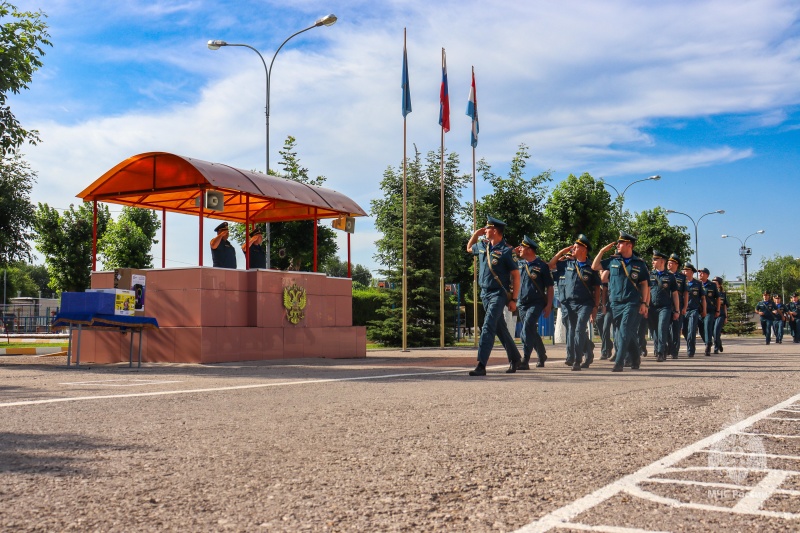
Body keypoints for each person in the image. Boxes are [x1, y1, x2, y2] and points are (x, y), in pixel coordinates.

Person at [466, 216, 522, 376]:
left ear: (495, 230)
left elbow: (516, 276)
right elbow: (469, 249)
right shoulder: (483, 246)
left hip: (498, 294)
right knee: (500, 328)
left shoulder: (506, 251)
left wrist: (514, 300)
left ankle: (481, 364)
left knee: (488, 325)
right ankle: (515, 358)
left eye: (487, 228)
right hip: (485, 293)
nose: (485, 230)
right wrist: (476, 234)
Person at [592, 231, 649, 372]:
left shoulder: (639, 264)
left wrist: (644, 304)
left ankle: (619, 362)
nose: (617, 245)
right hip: (615, 303)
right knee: (626, 333)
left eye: (620, 243)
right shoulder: (613, 260)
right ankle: (636, 357)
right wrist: (602, 251)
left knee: (623, 331)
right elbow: (594, 266)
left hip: (631, 302)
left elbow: (645, 284)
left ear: (629, 245)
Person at [549, 235, 600, 370]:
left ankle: (577, 360)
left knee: (579, 329)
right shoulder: (568, 263)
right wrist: (562, 251)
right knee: (573, 330)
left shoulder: (591, 267)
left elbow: (597, 288)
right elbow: (551, 265)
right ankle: (587, 350)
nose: (573, 249)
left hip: (585, 304)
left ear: (584, 249)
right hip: (569, 303)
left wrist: (595, 306)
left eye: (576, 247)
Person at [514, 236, 554, 370]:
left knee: (527, 328)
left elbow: (549, 286)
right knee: (530, 329)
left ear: (530, 250)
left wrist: (549, 305)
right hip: (522, 302)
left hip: (536, 303)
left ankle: (525, 359)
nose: (519, 249)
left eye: (522, 247)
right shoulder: (519, 264)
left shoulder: (542, 266)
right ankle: (541, 354)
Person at [648, 251, 680, 362]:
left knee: (662, 328)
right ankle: (661, 348)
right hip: (651, 307)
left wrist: (677, 310)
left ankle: (660, 352)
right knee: (654, 331)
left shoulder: (670, 276)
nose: (653, 262)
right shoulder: (650, 275)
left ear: (662, 261)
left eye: (655, 260)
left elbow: (675, 294)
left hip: (665, 307)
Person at [667, 253, 688, 359]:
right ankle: (668, 346)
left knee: (676, 329)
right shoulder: (665, 275)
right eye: (668, 263)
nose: (669, 265)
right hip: (665, 304)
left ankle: (675, 351)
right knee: (665, 328)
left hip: (677, 305)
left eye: (671, 263)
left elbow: (685, 293)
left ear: (676, 264)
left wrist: (684, 307)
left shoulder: (682, 277)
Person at [683, 263, 705, 357]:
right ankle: (690, 342)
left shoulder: (698, 283)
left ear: (691, 272)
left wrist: (704, 310)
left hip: (693, 310)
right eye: (684, 270)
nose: (684, 272)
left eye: (686, 270)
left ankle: (691, 350)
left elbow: (703, 298)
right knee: (684, 331)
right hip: (684, 310)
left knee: (692, 330)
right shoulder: (681, 282)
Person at [698, 268, 720, 356]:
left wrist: (718, 310)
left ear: (707, 275)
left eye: (702, 273)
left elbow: (718, 298)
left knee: (707, 326)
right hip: (699, 310)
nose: (700, 275)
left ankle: (708, 345)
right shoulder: (697, 284)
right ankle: (707, 342)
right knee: (701, 329)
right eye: (700, 273)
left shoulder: (712, 285)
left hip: (709, 310)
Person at [596, 270, 614, 360]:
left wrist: (604, 305)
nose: (602, 272)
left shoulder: (609, 280)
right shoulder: (596, 279)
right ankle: (609, 344)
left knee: (605, 328)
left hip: (608, 307)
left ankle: (604, 351)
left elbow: (604, 293)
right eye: (601, 270)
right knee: (601, 330)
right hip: (598, 308)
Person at [712, 277, 728, 354]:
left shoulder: (723, 294)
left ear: (719, 285)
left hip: (720, 315)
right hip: (712, 314)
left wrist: (726, 317)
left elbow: (725, 306)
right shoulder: (710, 292)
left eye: (716, 283)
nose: (714, 284)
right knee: (713, 333)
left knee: (716, 331)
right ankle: (719, 344)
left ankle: (716, 348)